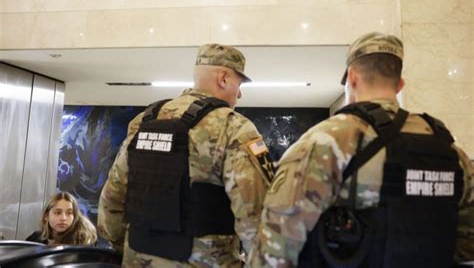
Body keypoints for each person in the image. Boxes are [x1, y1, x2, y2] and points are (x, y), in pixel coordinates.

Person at [248, 32, 474, 267]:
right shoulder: (447, 147)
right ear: (399, 84)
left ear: (352, 78)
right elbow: (467, 245)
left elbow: (275, 247)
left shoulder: (326, 141)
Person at [98, 43, 274, 267]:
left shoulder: (144, 122)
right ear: (223, 78)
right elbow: (257, 214)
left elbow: (112, 199)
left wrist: (129, 250)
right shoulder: (234, 128)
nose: (239, 93)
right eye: (238, 84)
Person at [26, 191, 97, 246]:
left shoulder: (85, 242)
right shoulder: (35, 239)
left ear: (74, 216)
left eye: (69, 213)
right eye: (58, 212)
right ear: (46, 216)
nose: (63, 218)